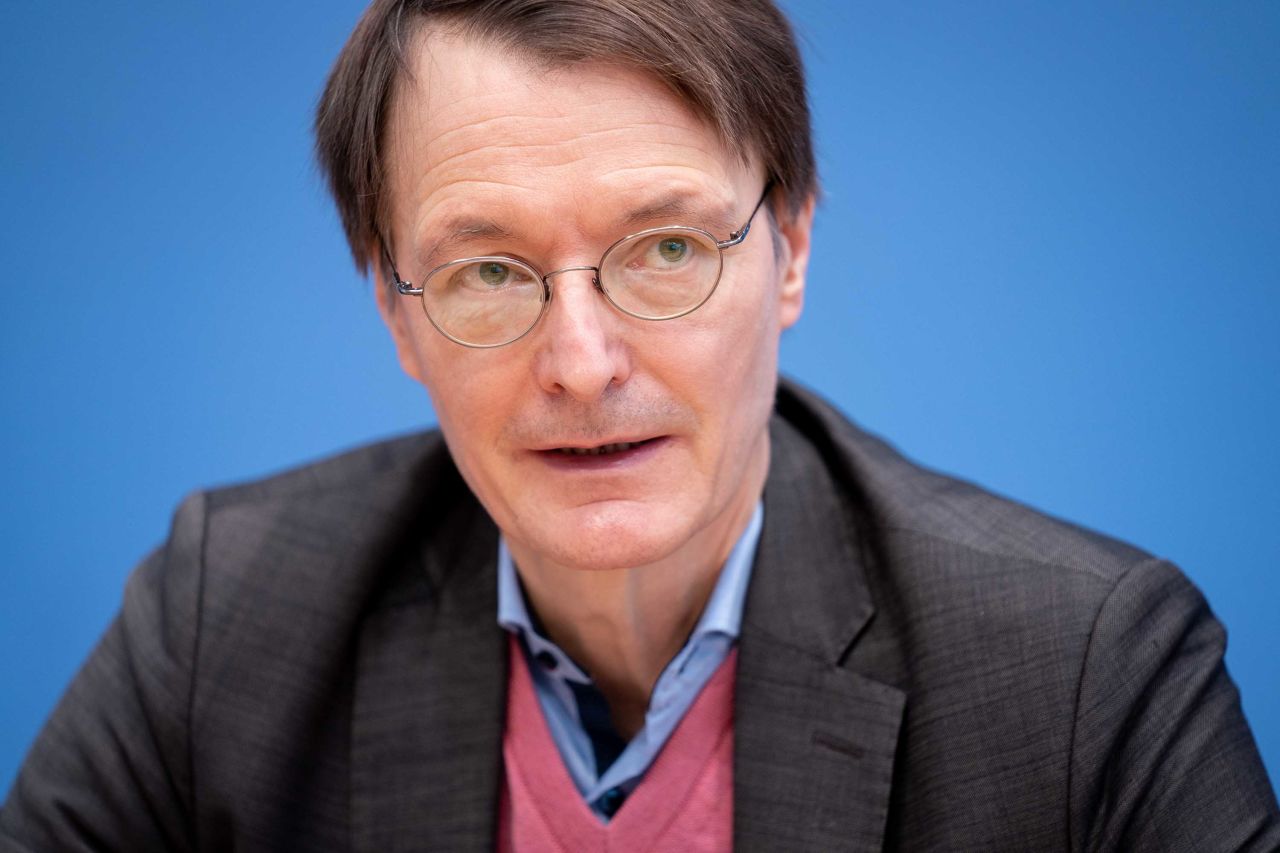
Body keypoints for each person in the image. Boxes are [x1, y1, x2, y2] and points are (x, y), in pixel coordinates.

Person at [2, 0, 1277, 850]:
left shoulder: (1084, 671)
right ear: (394, 315)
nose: (579, 361)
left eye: (664, 248)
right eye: (487, 272)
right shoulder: (227, 614)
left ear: (787, 250)